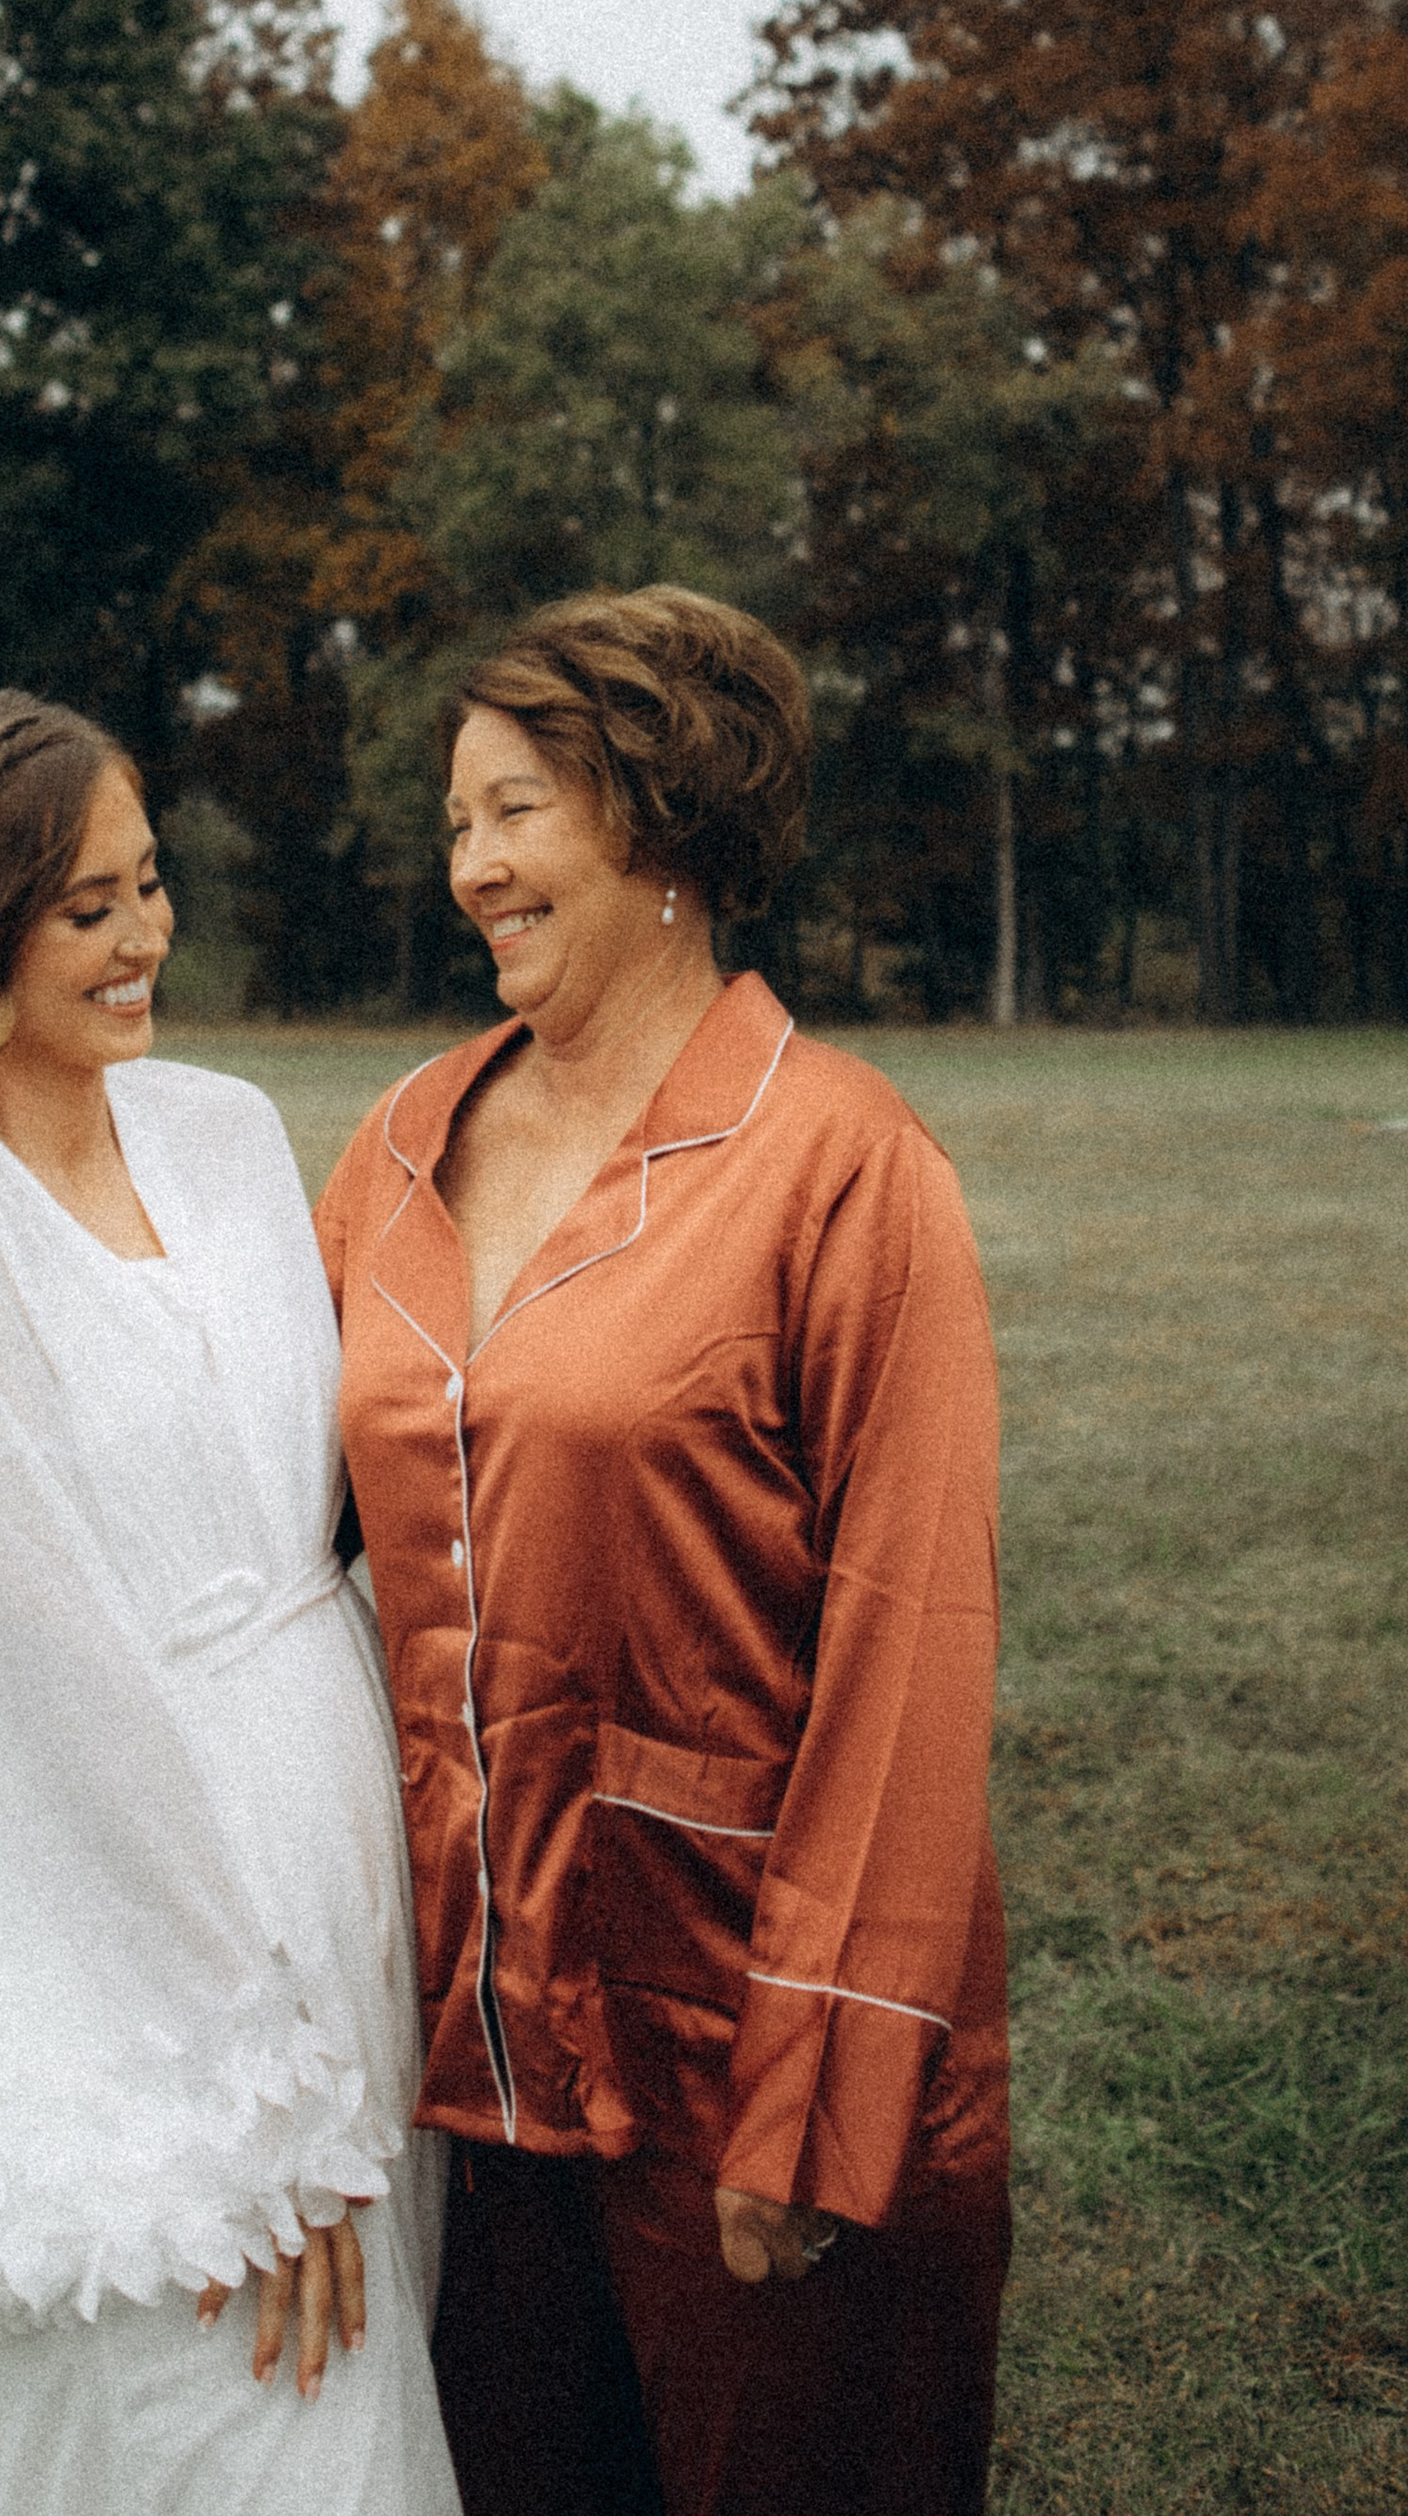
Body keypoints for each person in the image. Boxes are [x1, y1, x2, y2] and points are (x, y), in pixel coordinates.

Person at [315, 587, 1010, 2516]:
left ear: (658, 814)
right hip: (471, 2052)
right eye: (455, 822)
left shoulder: (844, 1164)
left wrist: (819, 2099)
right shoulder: (397, 1146)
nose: (471, 865)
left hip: (741, 2046)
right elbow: (270, 1551)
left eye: (514, 810)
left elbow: (910, 1644)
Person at [0, 680, 460, 2516]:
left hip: (341, 1856)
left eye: (150, 884)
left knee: (385, 2398)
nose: (147, 936)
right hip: (123, 1935)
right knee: (237, 2434)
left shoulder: (223, 1130)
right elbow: (41, 1682)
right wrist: (256, 2100)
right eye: (88, 906)